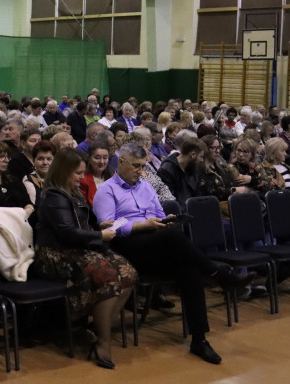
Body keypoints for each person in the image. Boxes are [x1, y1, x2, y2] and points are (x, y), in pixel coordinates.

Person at [92, 144, 247, 365]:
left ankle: (199, 340)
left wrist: (167, 220)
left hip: (155, 242)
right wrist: (142, 225)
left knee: (189, 269)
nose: (140, 171)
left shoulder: (146, 187)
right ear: (122, 162)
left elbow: (158, 213)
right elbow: (108, 227)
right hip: (127, 247)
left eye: (143, 166)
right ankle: (217, 273)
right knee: (173, 239)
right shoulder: (107, 190)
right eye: (135, 166)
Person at [30, 148, 136, 369]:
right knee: (107, 276)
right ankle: (103, 341)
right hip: (55, 254)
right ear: (63, 171)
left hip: (78, 247)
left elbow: (80, 225)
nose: (82, 177)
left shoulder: (73, 191)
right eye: (77, 173)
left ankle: (96, 328)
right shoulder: (53, 196)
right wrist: (100, 236)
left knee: (128, 273)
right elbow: (67, 233)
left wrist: (99, 226)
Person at [79, 138, 113, 205]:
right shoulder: (83, 179)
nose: (102, 162)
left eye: (105, 158)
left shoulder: (113, 177)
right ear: (89, 158)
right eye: (97, 158)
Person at [22, 140, 56, 206]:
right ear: (33, 161)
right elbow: (35, 206)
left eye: (49, 159)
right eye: (40, 159)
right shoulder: (29, 180)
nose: (45, 163)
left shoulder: (60, 179)